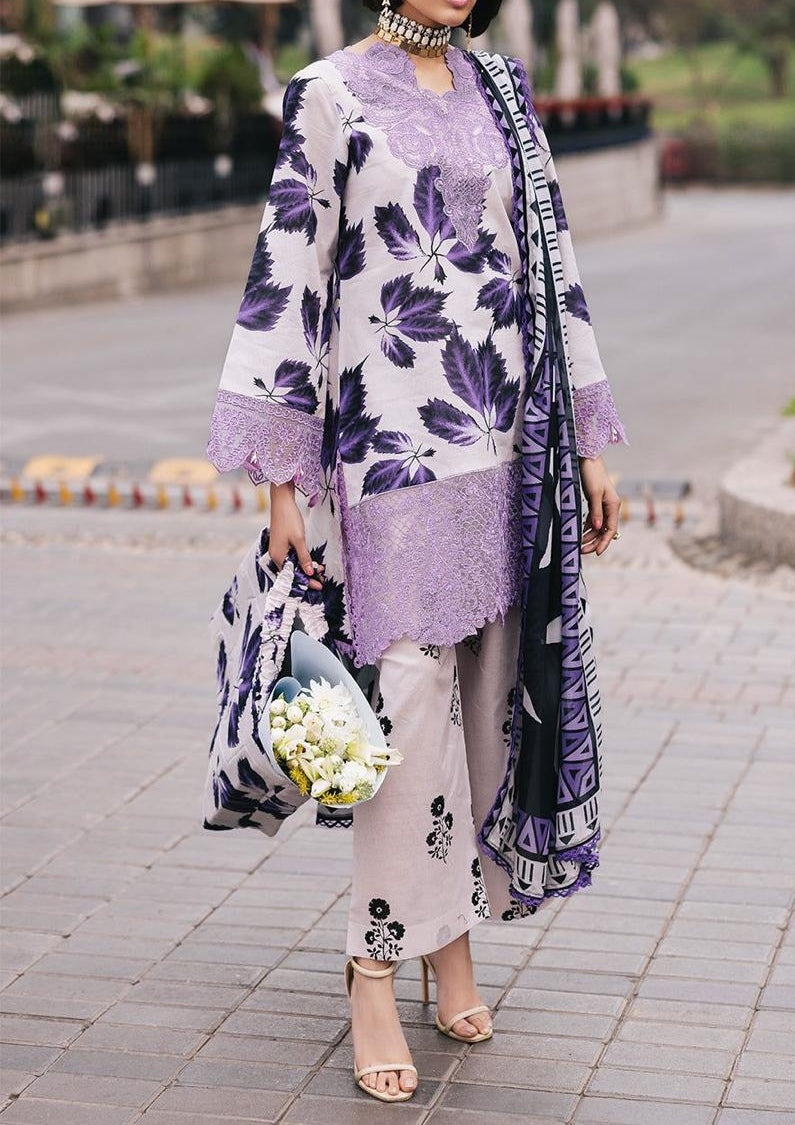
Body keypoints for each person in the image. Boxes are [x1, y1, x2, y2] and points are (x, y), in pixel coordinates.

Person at [205, 0, 629, 1104]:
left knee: (485, 705)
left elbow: (555, 270)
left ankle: (454, 945)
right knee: (404, 709)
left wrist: (587, 443)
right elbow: (288, 279)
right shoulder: (329, 94)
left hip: (506, 447)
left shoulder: (503, 92)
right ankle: (375, 968)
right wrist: (282, 482)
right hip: (386, 456)